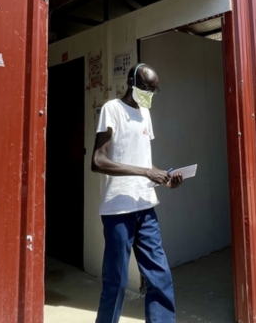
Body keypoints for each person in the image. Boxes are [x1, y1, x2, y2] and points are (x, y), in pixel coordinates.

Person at [92, 63, 183, 323]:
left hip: (145, 205)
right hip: (118, 209)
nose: (150, 94)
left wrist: (164, 177)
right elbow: (98, 161)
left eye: (155, 90)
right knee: (116, 281)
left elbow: (144, 163)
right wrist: (146, 173)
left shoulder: (145, 114)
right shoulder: (112, 110)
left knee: (160, 275)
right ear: (132, 83)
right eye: (146, 88)